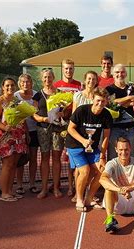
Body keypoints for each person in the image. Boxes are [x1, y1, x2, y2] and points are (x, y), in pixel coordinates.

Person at [66, 89, 112, 212]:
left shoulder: (107, 115)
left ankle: (89, 198)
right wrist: (83, 140)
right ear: (92, 99)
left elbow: (106, 137)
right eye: (98, 100)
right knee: (85, 171)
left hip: (92, 148)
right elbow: (70, 129)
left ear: (106, 102)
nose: (100, 104)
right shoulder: (81, 110)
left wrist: (102, 156)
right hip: (75, 145)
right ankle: (79, 199)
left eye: (103, 101)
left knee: (103, 169)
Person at [100, 137, 134, 232]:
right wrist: (120, 190)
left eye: (126, 149)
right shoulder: (111, 163)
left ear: (130, 149)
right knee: (108, 188)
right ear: (116, 150)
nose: (123, 152)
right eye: (120, 150)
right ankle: (110, 220)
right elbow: (102, 179)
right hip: (117, 203)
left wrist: (131, 188)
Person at [0, 77, 28, 202]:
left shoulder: (16, 101)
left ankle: (10, 191)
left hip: (18, 137)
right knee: (7, 165)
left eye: (12, 85)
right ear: (3, 87)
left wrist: (26, 133)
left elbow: (23, 117)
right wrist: (5, 128)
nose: (10, 87)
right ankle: (4, 193)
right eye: (7, 85)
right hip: (5, 137)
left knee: (13, 165)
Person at [32, 68, 65, 199]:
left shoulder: (60, 93)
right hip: (43, 129)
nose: (47, 79)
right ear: (42, 79)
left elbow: (64, 111)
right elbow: (33, 112)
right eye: (45, 77)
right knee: (45, 158)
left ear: (53, 78)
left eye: (49, 77)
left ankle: (56, 188)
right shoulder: (38, 95)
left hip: (57, 129)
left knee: (57, 159)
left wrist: (61, 114)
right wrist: (41, 119)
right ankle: (44, 188)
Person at [54, 59, 82, 194]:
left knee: (73, 156)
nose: (68, 71)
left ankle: (73, 186)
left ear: (73, 69)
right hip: (59, 126)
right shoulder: (57, 85)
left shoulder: (79, 86)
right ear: (62, 69)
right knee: (57, 156)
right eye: (66, 69)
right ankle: (56, 185)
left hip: (74, 125)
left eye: (71, 68)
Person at [14, 73, 40, 195]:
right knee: (21, 158)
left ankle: (32, 184)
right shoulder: (15, 96)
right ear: (19, 84)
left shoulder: (36, 95)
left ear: (31, 83)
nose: (25, 84)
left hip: (35, 130)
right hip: (20, 132)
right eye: (23, 82)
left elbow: (37, 112)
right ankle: (19, 185)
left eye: (28, 82)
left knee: (33, 158)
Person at [105, 64, 134, 160]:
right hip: (114, 127)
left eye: (122, 72)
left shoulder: (131, 88)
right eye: (117, 72)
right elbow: (110, 103)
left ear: (126, 74)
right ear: (113, 75)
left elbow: (131, 104)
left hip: (129, 127)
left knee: (130, 154)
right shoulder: (109, 89)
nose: (120, 74)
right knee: (113, 154)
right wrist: (128, 98)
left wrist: (118, 102)